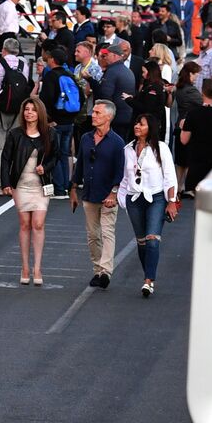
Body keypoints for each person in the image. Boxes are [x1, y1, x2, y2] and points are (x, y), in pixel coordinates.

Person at [120, 113, 179, 298]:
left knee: (153, 239)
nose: (137, 126)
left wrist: (171, 201)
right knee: (142, 242)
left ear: (150, 128)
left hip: (156, 198)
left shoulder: (161, 149)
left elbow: (170, 176)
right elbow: (125, 177)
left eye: (142, 124)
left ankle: (148, 281)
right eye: (136, 123)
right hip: (135, 199)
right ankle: (149, 274)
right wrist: (121, 198)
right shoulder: (128, 149)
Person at [1, 96, 57, 286]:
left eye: (33, 109)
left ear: (39, 112)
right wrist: (6, 183)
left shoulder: (50, 134)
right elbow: (6, 158)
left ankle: (37, 268)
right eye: (26, 109)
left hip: (41, 185)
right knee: (25, 224)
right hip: (21, 185)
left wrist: (46, 168)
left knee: (38, 224)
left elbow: (55, 157)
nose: (29, 113)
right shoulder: (15, 134)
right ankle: (25, 267)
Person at [72, 101, 128, 290]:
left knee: (107, 232)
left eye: (97, 112)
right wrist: (73, 188)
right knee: (92, 235)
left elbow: (120, 171)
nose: (93, 115)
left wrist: (114, 192)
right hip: (89, 193)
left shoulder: (117, 142)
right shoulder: (86, 138)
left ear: (108, 117)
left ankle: (105, 271)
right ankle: (97, 269)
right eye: (94, 112)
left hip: (108, 195)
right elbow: (80, 164)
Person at [179, 78, 212, 195]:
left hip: (197, 162)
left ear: (202, 92)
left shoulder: (193, 114)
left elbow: (184, 140)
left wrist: (183, 126)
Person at [97, 42, 137, 136]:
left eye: (107, 55)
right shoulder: (128, 71)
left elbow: (106, 95)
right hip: (127, 116)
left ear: (115, 55)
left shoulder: (112, 71)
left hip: (115, 118)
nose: (105, 57)